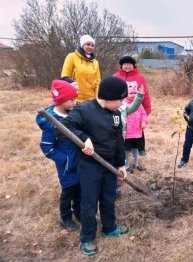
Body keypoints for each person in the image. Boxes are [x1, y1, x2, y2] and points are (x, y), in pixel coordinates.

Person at [60, 76, 129, 256]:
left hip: (109, 165)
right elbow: (63, 127)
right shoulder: (84, 109)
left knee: (109, 198)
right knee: (89, 202)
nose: (122, 104)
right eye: (120, 100)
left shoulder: (115, 114)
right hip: (90, 166)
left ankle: (109, 227)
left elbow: (119, 140)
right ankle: (88, 237)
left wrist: (121, 164)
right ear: (109, 97)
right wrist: (84, 138)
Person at [36, 80, 80, 231]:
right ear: (61, 100)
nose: (75, 102)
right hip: (66, 166)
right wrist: (65, 160)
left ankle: (79, 212)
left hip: (79, 161)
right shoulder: (51, 123)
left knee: (79, 189)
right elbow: (47, 147)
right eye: (72, 99)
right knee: (68, 191)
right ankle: (65, 218)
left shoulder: (73, 115)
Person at [113, 56, 152, 156]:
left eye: (130, 64)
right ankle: (121, 152)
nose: (127, 66)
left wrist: (147, 109)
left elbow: (145, 93)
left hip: (136, 110)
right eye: (125, 64)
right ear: (121, 66)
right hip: (119, 108)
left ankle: (139, 149)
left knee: (137, 130)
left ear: (133, 66)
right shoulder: (115, 77)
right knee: (121, 130)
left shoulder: (140, 77)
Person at [61, 35, 101, 103]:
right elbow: (65, 76)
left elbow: (98, 82)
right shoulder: (72, 56)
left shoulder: (95, 62)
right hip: (75, 100)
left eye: (92, 45)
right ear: (82, 45)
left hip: (91, 101)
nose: (90, 47)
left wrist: (97, 99)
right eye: (88, 44)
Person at [124, 83, 148, 173]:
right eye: (131, 93)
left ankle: (136, 163)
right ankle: (126, 165)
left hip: (137, 132)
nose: (133, 95)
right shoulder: (123, 104)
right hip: (127, 134)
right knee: (126, 150)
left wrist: (143, 122)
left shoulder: (139, 105)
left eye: (135, 93)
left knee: (135, 149)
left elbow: (143, 114)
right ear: (126, 93)